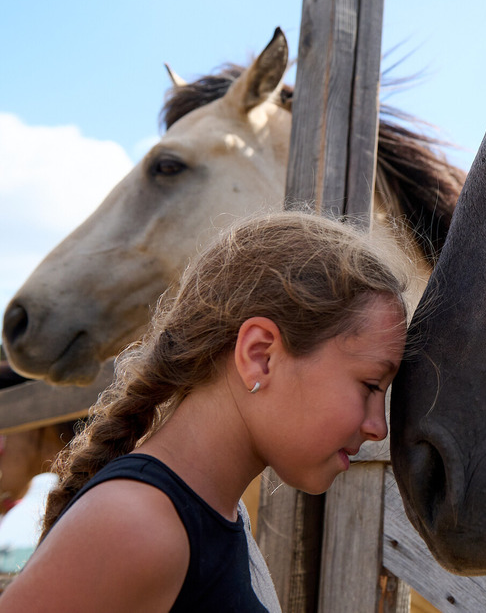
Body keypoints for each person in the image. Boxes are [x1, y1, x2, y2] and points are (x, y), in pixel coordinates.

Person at [0, 211, 408, 612]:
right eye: (371, 386)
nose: (379, 428)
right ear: (260, 355)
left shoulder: (212, 517)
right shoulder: (135, 524)